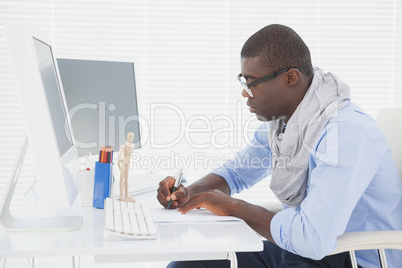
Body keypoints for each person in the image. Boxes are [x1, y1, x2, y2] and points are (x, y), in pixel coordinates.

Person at [157, 24, 402, 268]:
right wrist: (189, 193)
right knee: (188, 264)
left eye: (251, 82)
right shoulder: (286, 122)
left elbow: (313, 238)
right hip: (301, 248)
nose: (245, 93)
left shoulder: (344, 133)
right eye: (243, 81)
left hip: (350, 257)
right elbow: (238, 172)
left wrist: (232, 206)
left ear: (290, 78)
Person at [118, 132, 135, 202]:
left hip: (128, 162)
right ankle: (121, 195)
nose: (130, 138)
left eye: (131, 137)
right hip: (124, 162)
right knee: (122, 178)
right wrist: (119, 162)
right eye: (129, 137)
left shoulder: (132, 145)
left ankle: (126, 194)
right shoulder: (123, 146)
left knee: (126, 178)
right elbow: (119, 155)